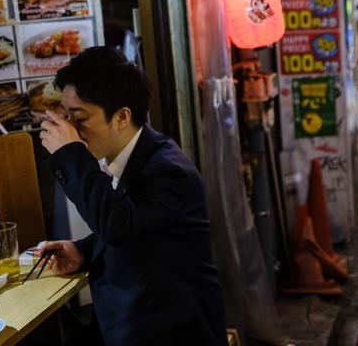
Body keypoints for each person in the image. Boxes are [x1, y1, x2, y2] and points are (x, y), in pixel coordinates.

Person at [37, 46, 228, 345]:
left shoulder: (168, 170)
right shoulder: (135, 155)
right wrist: (83, 251)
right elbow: (137, 226)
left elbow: (119, 225)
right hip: (129, 320)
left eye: (79, 118)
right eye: (66, 116)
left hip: (171, 332)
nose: (71, 129)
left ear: (122, 116)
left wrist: (70, 154)